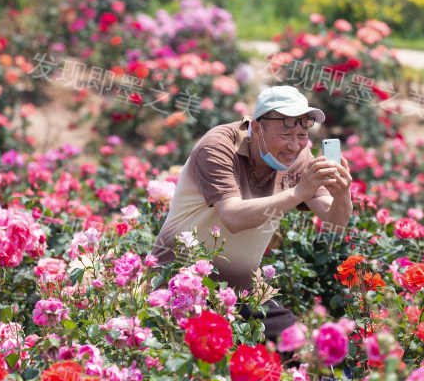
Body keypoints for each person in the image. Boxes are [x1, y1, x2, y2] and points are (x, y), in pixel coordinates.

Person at [151, 86, 353, 341]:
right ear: (256, 128)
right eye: (285, 135)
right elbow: (233, 217)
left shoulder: (297, 156)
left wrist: (343, 192)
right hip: (181, 284)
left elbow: (335, 222)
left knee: (301, 348)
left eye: (302, 135)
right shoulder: (219, 145)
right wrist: (298, 192)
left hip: (243, 291)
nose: (294, 145)